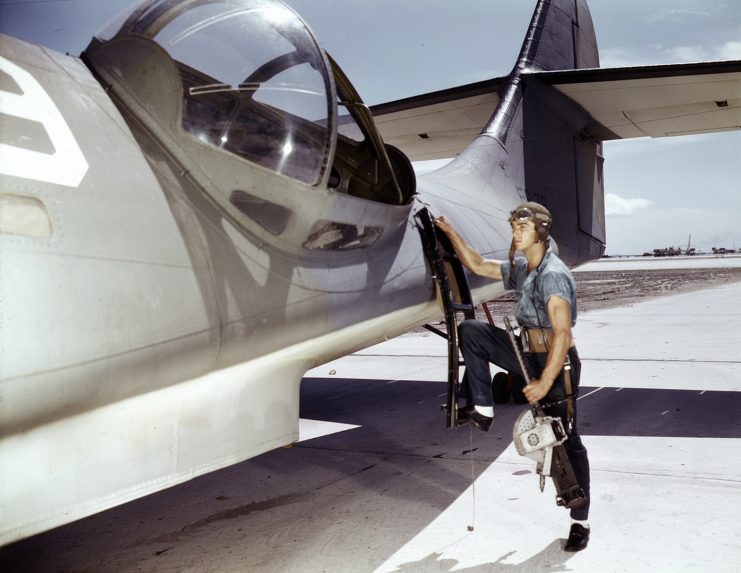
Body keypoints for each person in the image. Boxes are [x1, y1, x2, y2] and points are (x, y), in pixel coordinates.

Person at [434, 202, 591, 552]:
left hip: (556, 362)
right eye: (513, 228)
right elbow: (476, 264)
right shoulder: (525, 269)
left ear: (542, 231)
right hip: (525, 352)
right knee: (473, 330)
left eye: (522, 227)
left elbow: (562, 335)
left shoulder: (553, 274)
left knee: (565, 440)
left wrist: (544, 381)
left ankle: (580, 520)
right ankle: (483, 408)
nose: (515, 233)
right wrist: (450, 232)